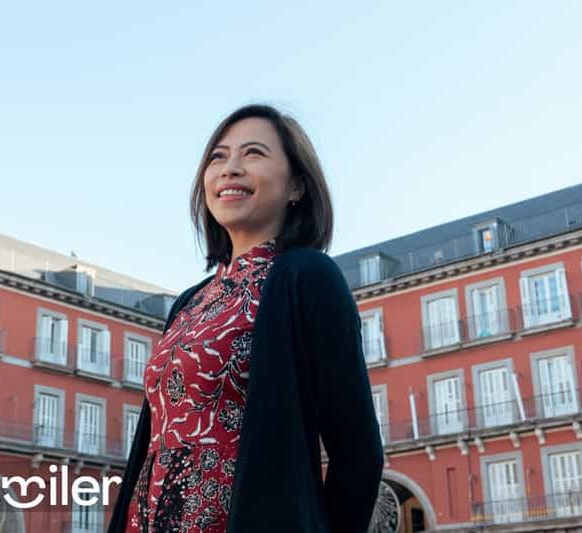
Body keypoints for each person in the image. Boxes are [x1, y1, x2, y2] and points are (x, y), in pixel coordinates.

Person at [108, 104, 384, 533]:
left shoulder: (307, 277)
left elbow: (358, 454)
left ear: (296, 185)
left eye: (253, 153)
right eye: (218, 157)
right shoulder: (189, 302)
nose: (230, 168)